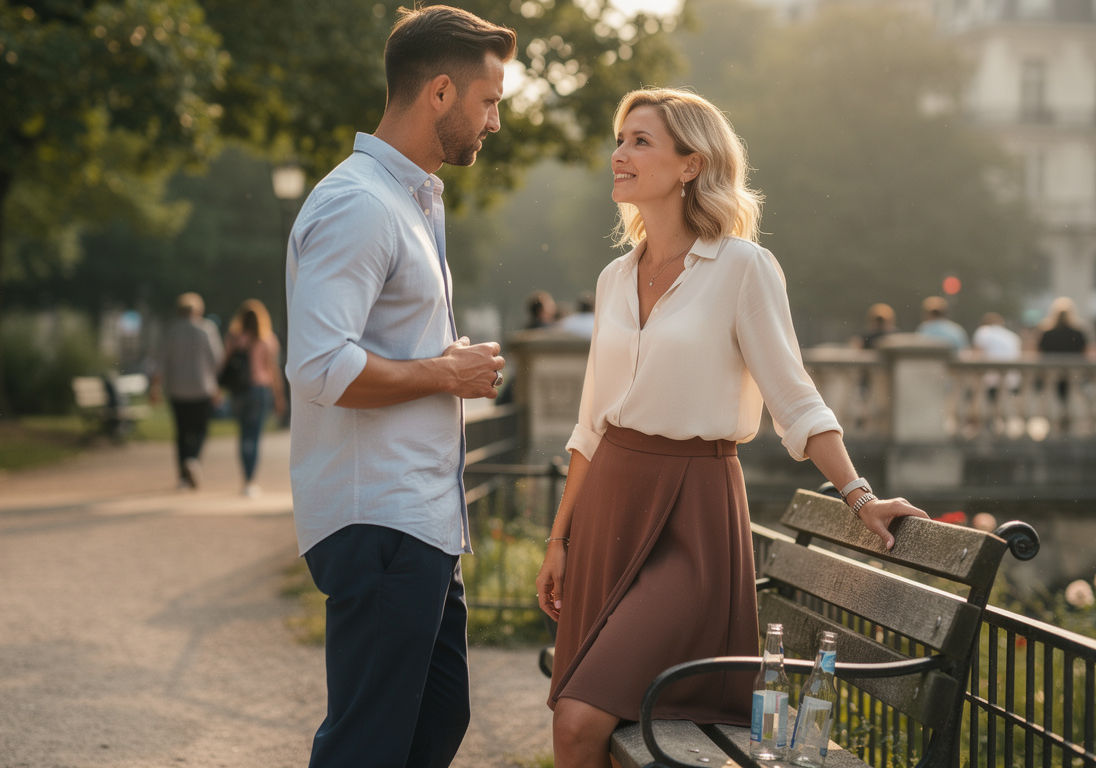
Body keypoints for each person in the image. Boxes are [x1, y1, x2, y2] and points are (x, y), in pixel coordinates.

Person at [533, 88, 929, 768]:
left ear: (691, 164)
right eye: (620, 139)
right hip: (608, 508)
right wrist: (559, 539)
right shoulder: (613, 278)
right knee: (584, 722)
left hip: (693, 517)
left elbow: (795, 400)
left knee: (577, 722)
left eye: (640, 141)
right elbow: (590, 427)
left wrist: (859, 495)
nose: (619, 154)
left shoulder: (743, 267)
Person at [283, 7, 515, 768]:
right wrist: (446, 372)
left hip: (419, 518)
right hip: (377, 517)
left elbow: (377, 347)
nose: (495, 122)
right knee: (369, 745)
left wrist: (443, 361)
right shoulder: (359, 204)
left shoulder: (410, 201)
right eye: (489, 102)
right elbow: (320, 367)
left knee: (436, 721)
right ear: (440, 92)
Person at [152, 292, 223, 489]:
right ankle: (193, 459)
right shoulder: (207, 329)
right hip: (202, 388)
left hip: (177, 389)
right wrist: (217, 386)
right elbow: (217, 359)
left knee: (182, 431)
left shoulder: (171, 331)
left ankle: (183, 477)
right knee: (200, 429)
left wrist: (155, 387)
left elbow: (161, 362)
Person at [221, 299, 287, 497]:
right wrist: (279, 397)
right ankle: (251, 481)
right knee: (254, 436)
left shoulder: (234, 339)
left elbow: (224, 365)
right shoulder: (267, 340)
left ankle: (245, 478)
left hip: (239, 391)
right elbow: (273, 371)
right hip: (259, 390)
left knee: (243, 435)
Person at [972, 312, 1022, 401]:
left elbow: (977, 356)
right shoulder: (1013, 336)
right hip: (1012, 381)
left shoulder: (983, 331)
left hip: (990, 381)